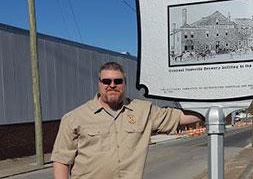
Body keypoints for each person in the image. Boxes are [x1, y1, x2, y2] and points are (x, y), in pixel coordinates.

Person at [51, 62, 202, 179]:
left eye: (118, 81)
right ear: (99, 83)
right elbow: (62, 160)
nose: (112, 85)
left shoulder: (143, 111)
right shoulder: (74, 118)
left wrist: (214, 107)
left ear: (125, 83)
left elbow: (180, 118)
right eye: (106, 81)